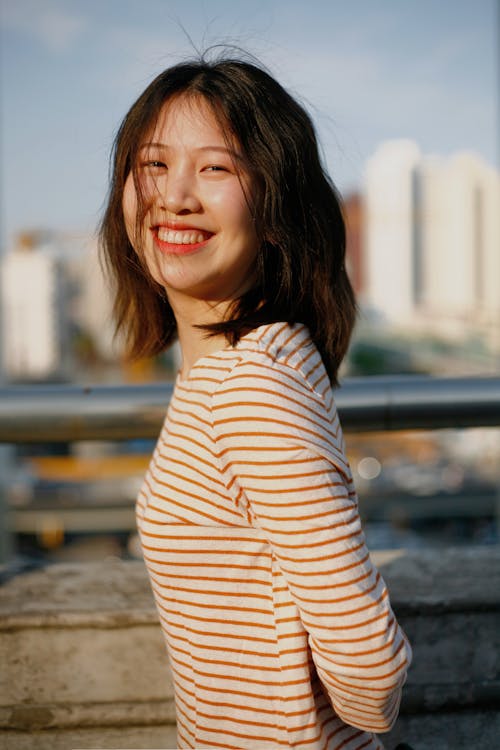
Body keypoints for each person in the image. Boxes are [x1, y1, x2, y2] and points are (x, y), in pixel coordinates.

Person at [100, 52, 412, 750]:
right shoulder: (269, 351)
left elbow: (369, 659)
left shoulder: (245, 386)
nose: (174, 195)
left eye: (215, 168)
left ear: (276, 208)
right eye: (153, 164)